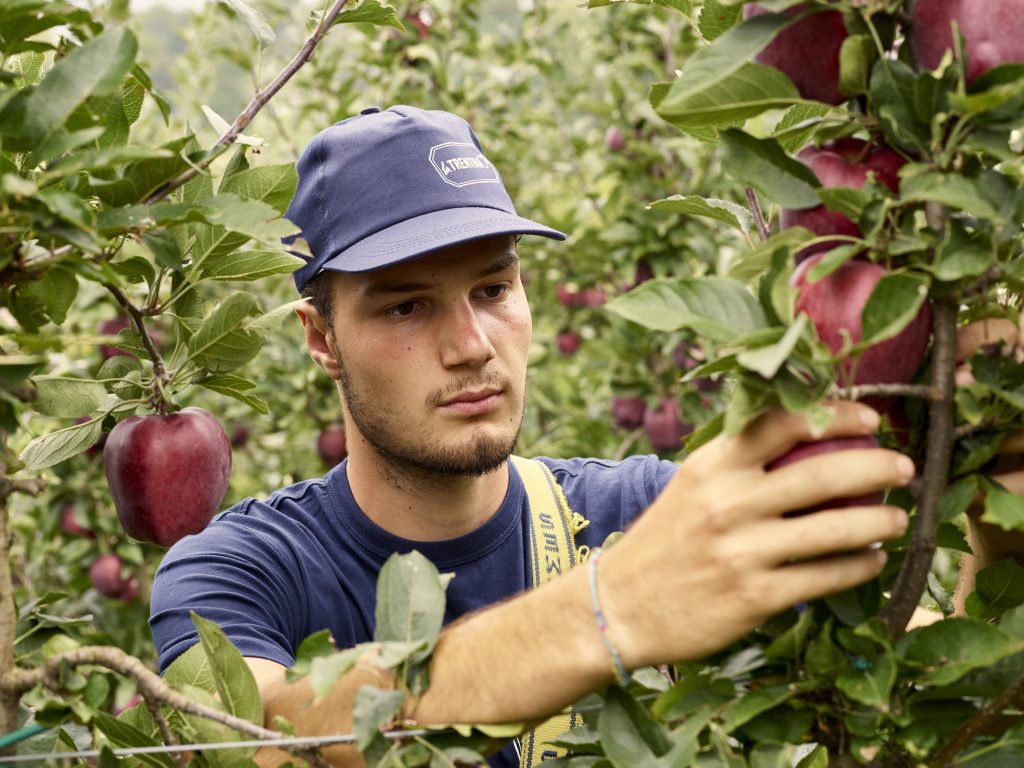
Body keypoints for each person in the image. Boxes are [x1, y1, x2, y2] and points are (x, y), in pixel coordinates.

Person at [149, 105, 1021, 768]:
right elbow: (260, 734)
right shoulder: (239, 570)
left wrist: (1003, 496)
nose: (471, 345)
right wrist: (613, 607)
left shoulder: (650, 515)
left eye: (493, 289)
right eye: (407, 307)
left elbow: (961, 695)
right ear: (320, 338)